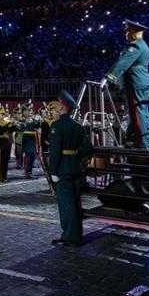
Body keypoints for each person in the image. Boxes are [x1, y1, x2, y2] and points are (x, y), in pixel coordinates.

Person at [101, 19, 149, 149]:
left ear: (134, 32)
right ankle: (134, 139)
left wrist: (109, 78)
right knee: (137, 112)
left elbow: (123, 62)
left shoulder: (136, 46)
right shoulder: (142, 45)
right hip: (140, 81)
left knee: (137, 112)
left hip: (135, 82)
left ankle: (142, 142)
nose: (126, 34)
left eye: (128, 31)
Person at [49, 90, 90, 247]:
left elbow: (55, 151)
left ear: (62, 107)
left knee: (66, 205)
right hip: (75, 168)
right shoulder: (78, 127)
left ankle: (69, 237)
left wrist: (53, 172)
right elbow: (88, 148)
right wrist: (75, 156)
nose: (55, 107)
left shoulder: (57, 126)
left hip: (62, 170)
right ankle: (76, 235)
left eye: (57, 104)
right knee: (75, 204)